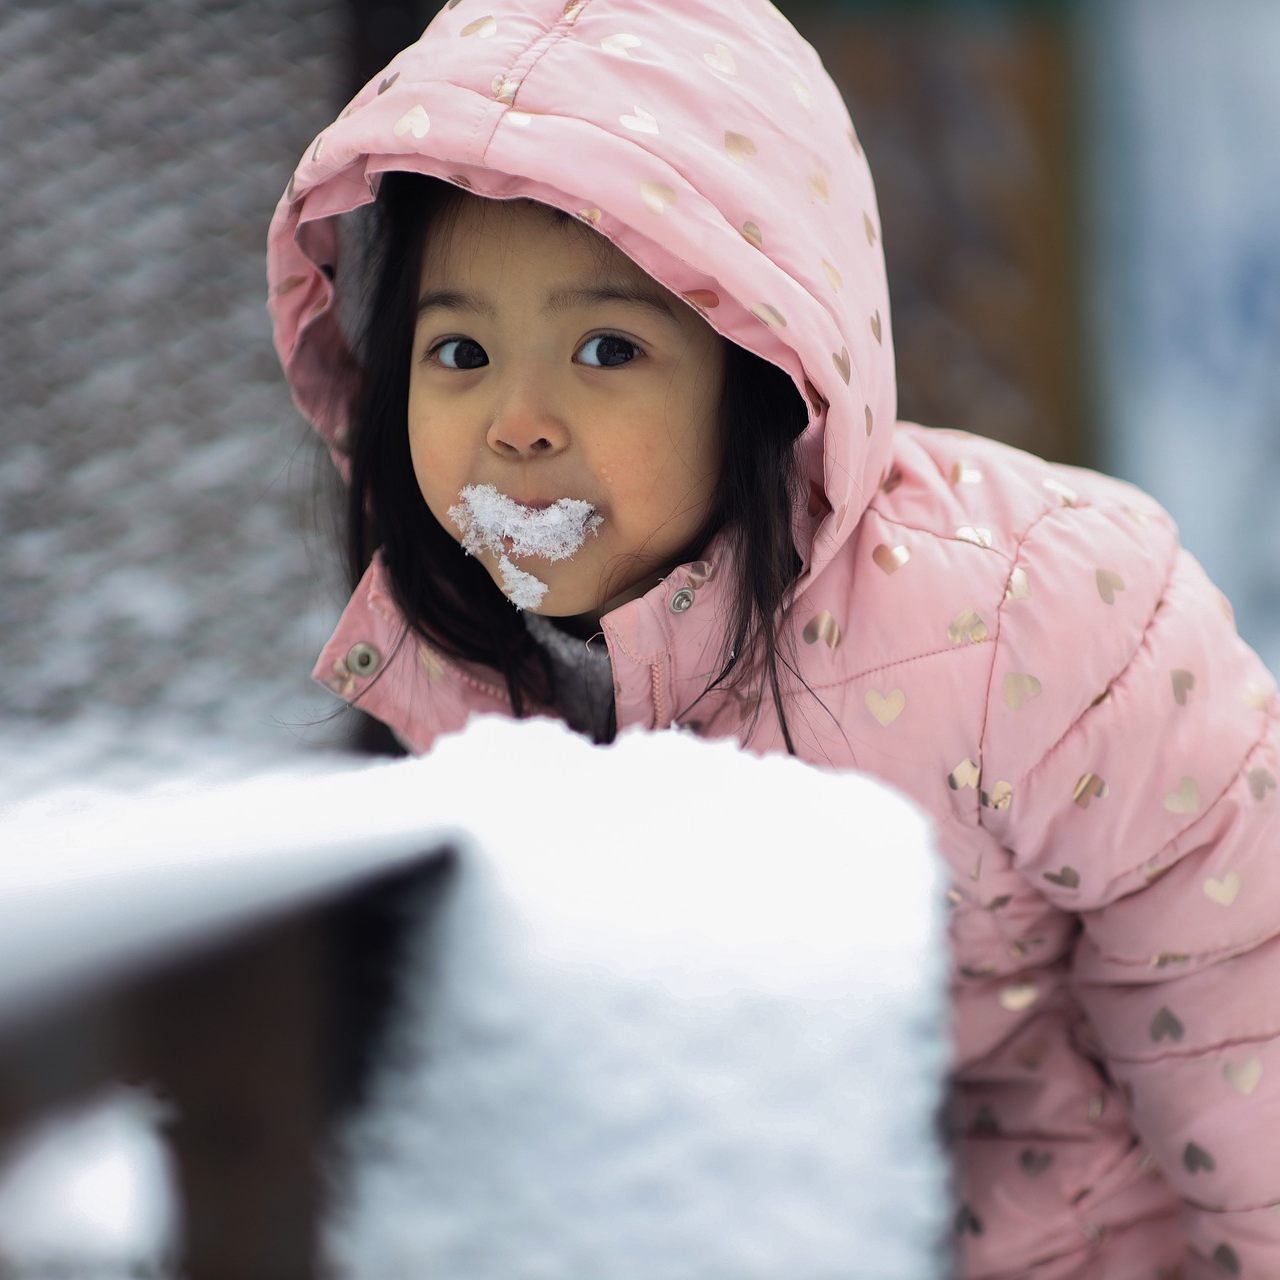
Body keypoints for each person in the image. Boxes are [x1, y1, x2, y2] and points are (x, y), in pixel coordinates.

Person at [266, 1, 1280, 1275]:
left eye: (605, 347)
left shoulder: (1026, 619)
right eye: (459, 349)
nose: (517, 419)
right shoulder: (466, 681)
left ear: (759, 371)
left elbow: (1241, 1015)